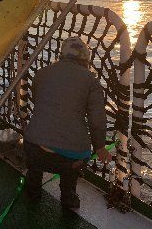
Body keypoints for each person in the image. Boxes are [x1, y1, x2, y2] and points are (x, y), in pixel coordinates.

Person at [23, 36, 112, 212]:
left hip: (33, 148)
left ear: (62, 54)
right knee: (73, 163)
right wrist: (100, 147)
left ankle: (32, 191)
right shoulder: (91, 81)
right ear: (86, 58)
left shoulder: (42, 73)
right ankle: (68, 197)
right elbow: (97, 120)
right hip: (69, 158)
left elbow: (36, 98)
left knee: (35, 165)